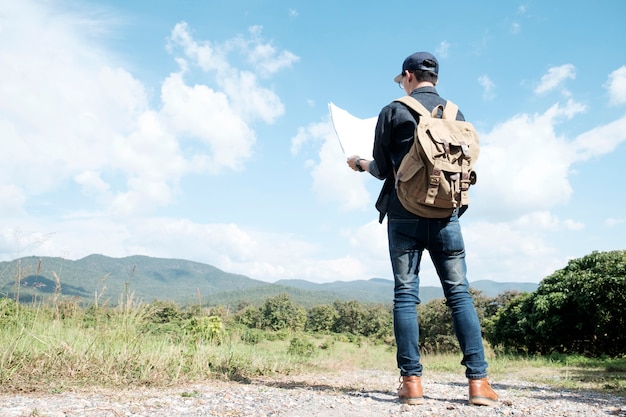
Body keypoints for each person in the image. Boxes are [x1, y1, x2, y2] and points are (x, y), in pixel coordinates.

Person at [346, 52, 498, 407]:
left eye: (402, 80)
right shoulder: (456, 114)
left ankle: (411, 383)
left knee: (405, 295)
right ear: (436, 79)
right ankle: (479, 384)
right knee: (459, 294)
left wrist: (359, 163)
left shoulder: (393, 110)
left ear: (408, 76)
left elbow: (382, 169)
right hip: (447, 216)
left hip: (403, 215)